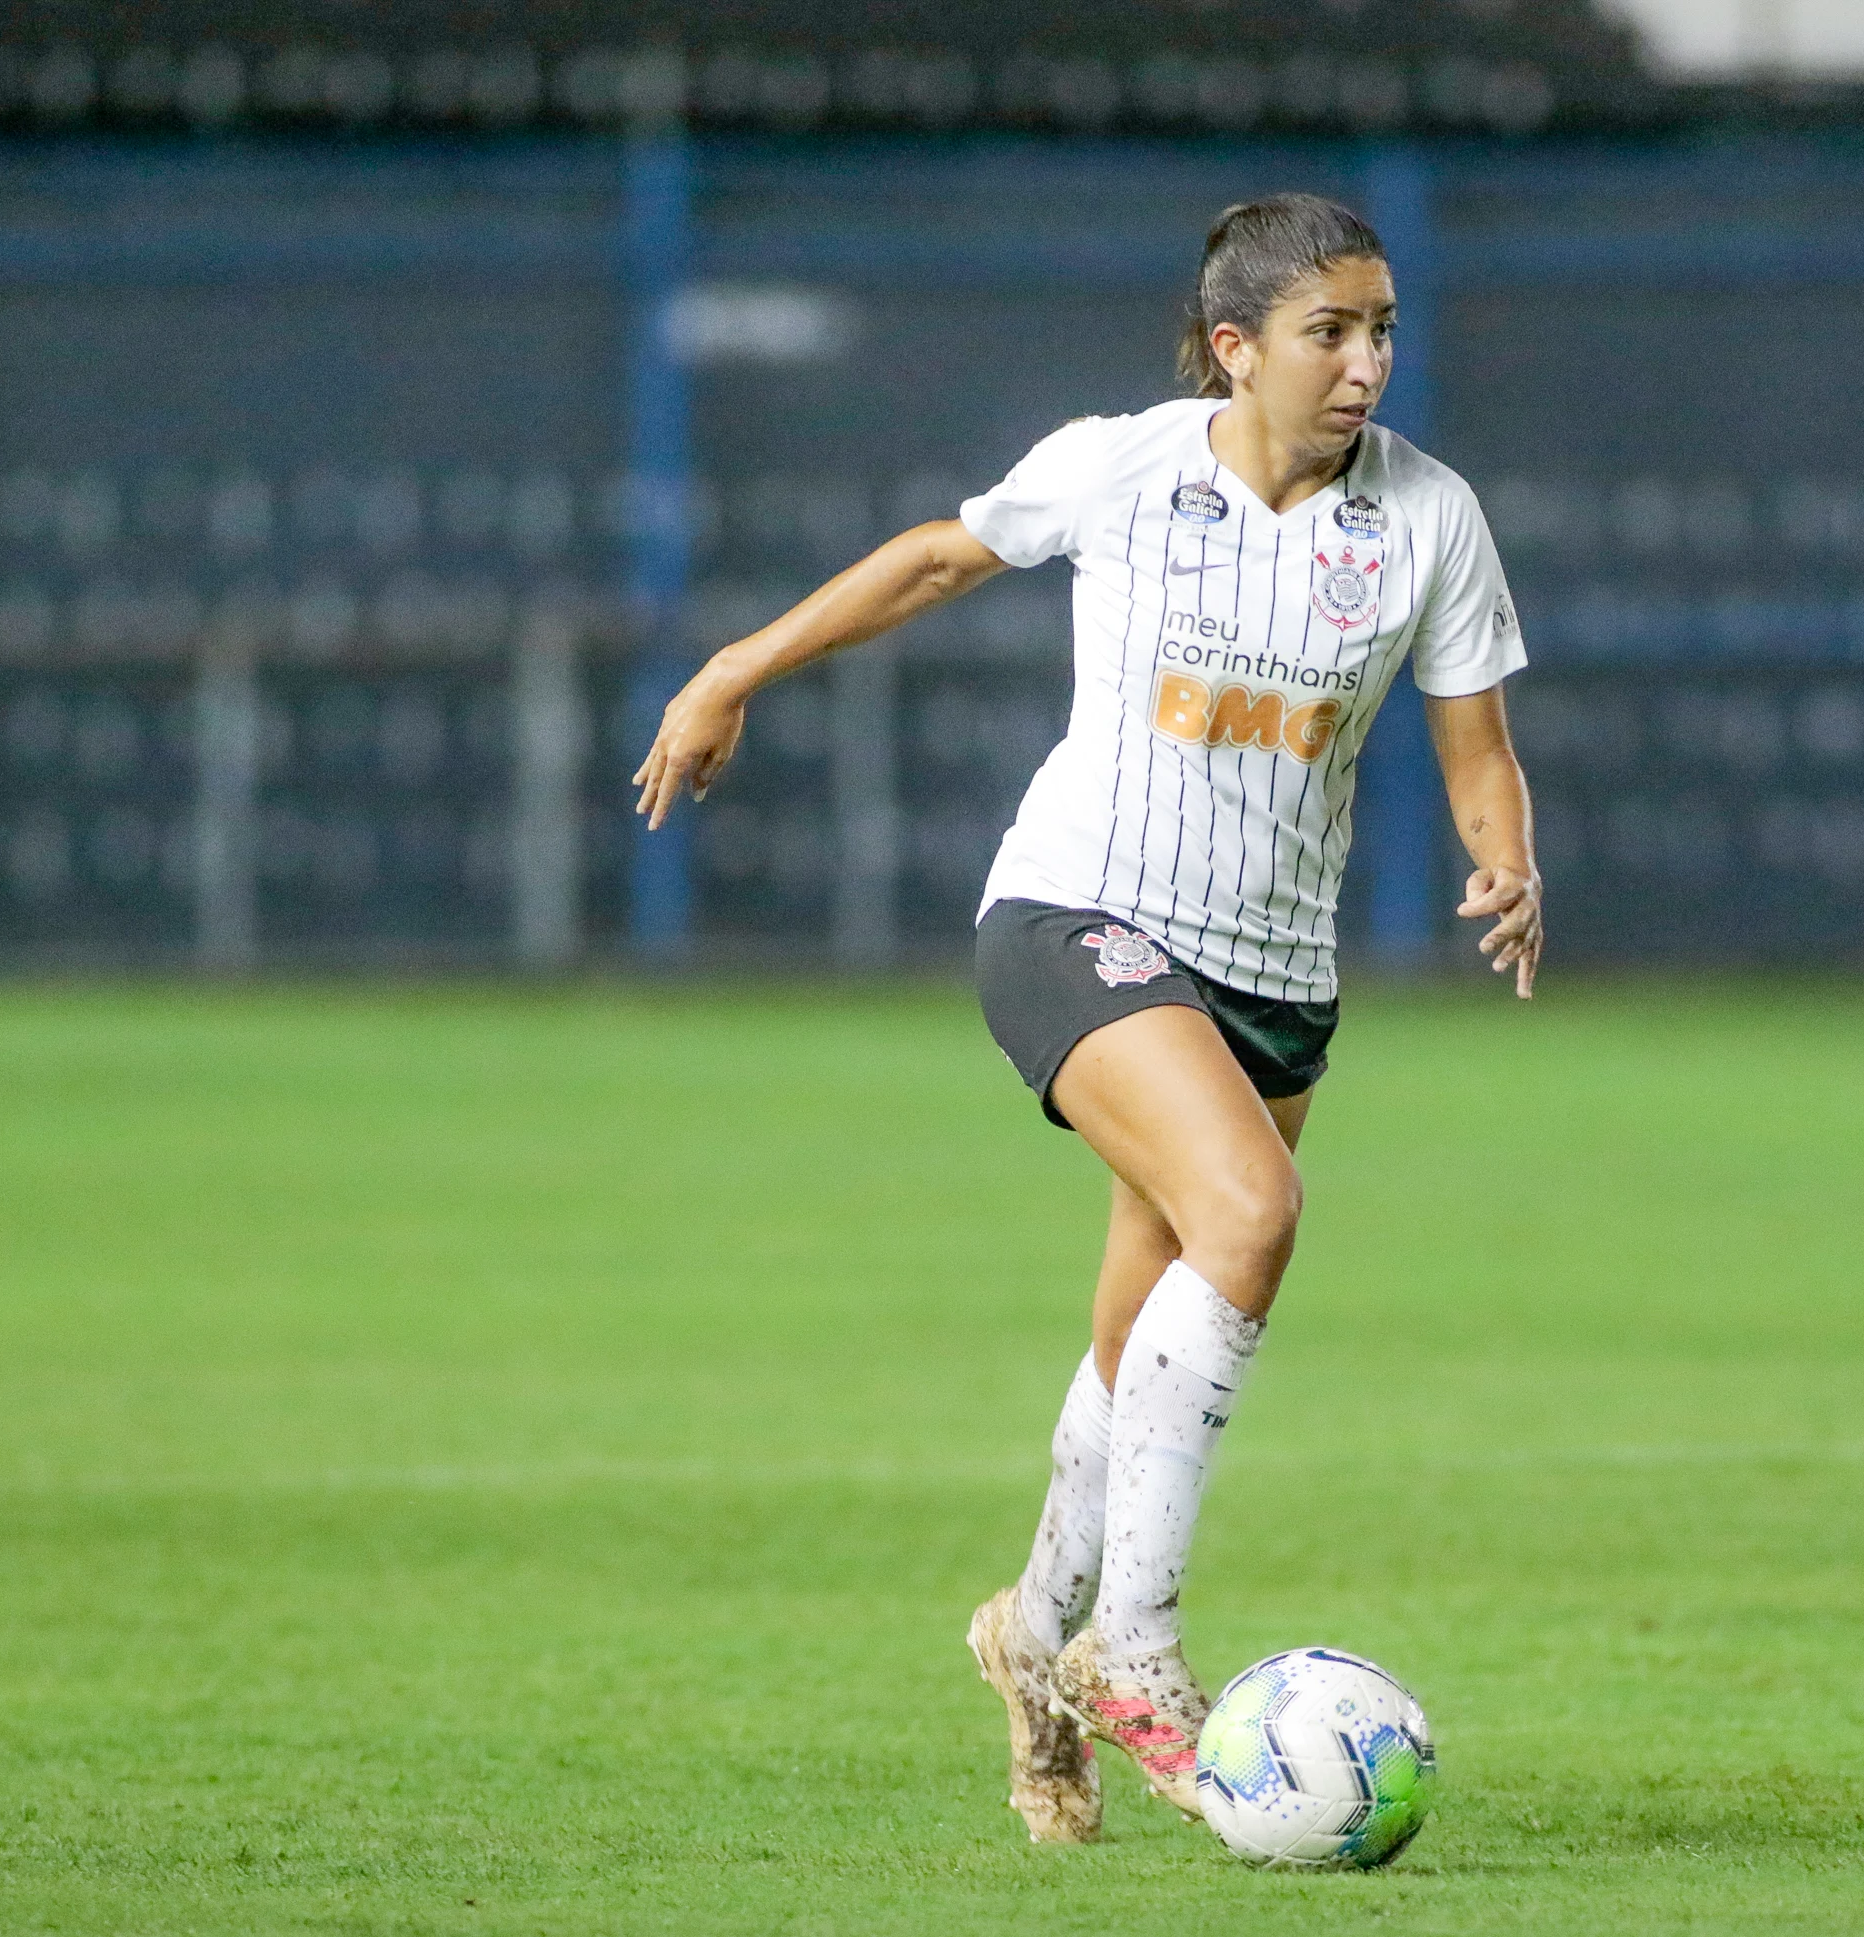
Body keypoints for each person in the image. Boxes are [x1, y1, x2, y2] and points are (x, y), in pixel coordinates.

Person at [631, 193, 1540, 1844]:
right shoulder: (1129, 466)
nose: (1366, 363)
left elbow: (1475, 738)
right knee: (1252, 1214)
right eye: (1330, 332)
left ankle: (1031, 1639)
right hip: (1079, 916)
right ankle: (1137, 1651)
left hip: (1275, 978)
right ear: (1234, 347)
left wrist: (1507, 863)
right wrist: (731, 671)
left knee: (1139, 1352)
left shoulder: (1428, 518)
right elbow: (932, 561)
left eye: (1382, 328)